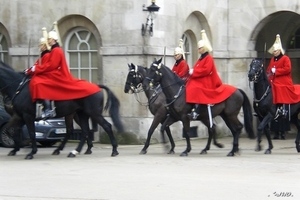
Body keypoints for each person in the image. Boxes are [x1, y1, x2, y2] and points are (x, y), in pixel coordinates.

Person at [26, 28, 100, 119]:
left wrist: (36, 69)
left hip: (57, 73)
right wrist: (32, 69)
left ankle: (48, 109)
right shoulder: (54, 50)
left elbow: (52, 65)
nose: (48, 41)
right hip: (53, 72)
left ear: (53, 39)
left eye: (49, 39)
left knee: (40, 83)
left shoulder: (56, 50)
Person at [186, 30, 236, 119]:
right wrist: (192, 71)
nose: (198, 50)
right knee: (188, 84)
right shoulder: (201, 58)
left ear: (204, 48)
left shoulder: (209, 58)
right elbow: (198, 68)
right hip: (201, 78)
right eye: (198, 48)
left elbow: (206, 70)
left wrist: (194, 72)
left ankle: (196, 111)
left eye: (200, 48)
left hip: (208, 80)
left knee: (195, 88)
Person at [266, 34, 300, 119]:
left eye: (275, 50)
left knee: (278, 87)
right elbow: (269, 69)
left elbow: (287, 69)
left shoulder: (285, 58)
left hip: (284, 80)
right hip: (273, 79)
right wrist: (268, 74)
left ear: (279, 50)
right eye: (273, 51)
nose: (274, 52)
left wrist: (276, 71)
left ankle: (282, 108)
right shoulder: (272, 59)